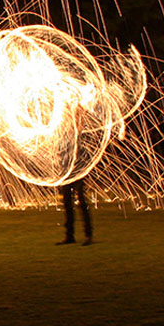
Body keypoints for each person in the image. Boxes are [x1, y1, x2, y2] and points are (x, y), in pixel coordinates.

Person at [58, 105, 92, 246]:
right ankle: (69, 235)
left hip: (78, 172)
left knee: (82, 203)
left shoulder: (80, 133)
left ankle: (88, 235)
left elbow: (84, 152)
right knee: (67, 204)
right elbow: (60, 151)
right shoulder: (63, 133)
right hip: (66, 173)